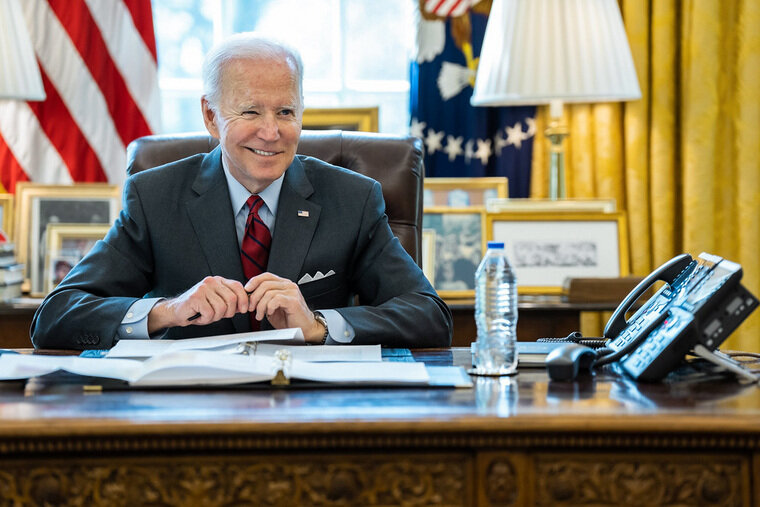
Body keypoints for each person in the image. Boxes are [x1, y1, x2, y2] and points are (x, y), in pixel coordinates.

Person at [31, 33, 452, 350]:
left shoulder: (352, 199)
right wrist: (168, 311)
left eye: (285, 111)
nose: (270, 132)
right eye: (250, 111)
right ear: (211, 116)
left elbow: (429, 316)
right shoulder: (154, 197)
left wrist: (317, 325)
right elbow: (55, 315)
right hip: (191, 411)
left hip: (308, 411)